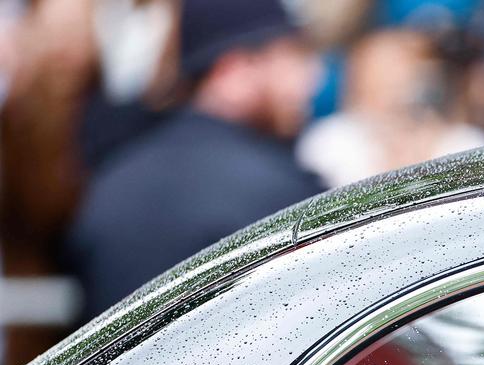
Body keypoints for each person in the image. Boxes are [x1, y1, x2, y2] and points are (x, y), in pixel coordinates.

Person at [65, 0, 324, 319]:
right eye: (294, 56)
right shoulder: (279, 191)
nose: (314, 77)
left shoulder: (110, 177)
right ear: (236, 68)